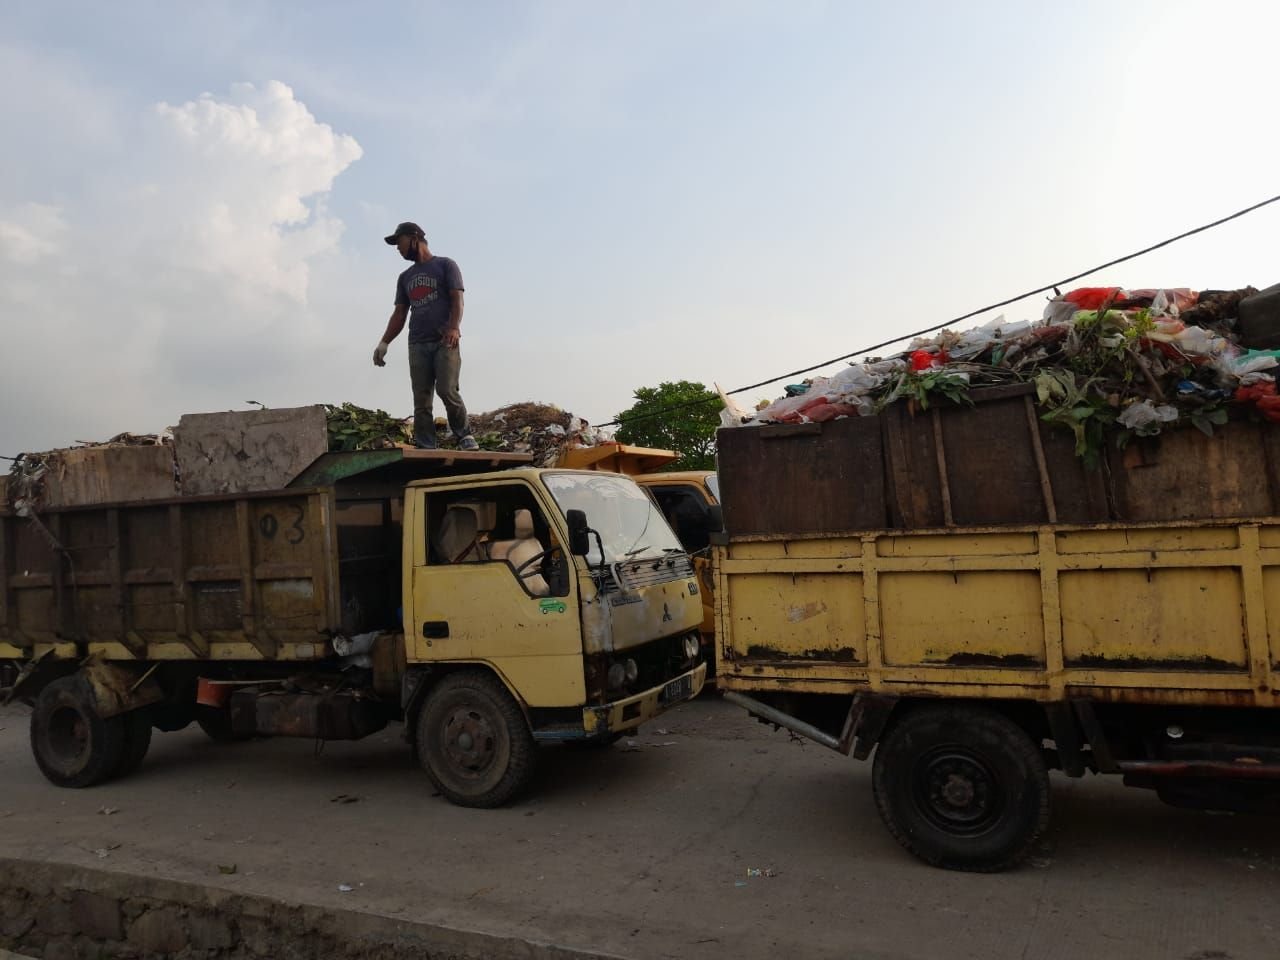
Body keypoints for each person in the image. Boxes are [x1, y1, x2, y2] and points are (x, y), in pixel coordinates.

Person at [373, 221, 478, 451]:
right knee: (421, 400)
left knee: (446, 389)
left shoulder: (445, 265)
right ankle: (426, 444)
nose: (397, 248)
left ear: (414, 238)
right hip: (417, 343)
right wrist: (384, 342)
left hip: (444, 340)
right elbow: (400, 313)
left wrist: (453, 327)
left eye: (398, 242)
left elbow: (457, 299)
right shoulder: (405, 277)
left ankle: (464, 435)